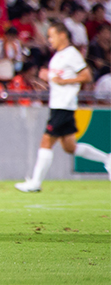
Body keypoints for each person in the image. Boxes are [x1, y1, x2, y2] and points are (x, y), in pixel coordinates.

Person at [16, 22, 106, 191]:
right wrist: (48, 77)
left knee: (46, 141)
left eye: (51, 36)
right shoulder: (58, 55)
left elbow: (86, 76)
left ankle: (35, 182)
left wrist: (63, 81)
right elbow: (58, 78)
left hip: (63, 105)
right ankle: (107, 159)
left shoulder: (71, 54)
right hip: (60, 104)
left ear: (62, 35)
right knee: (69, 147)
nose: (49, 40)